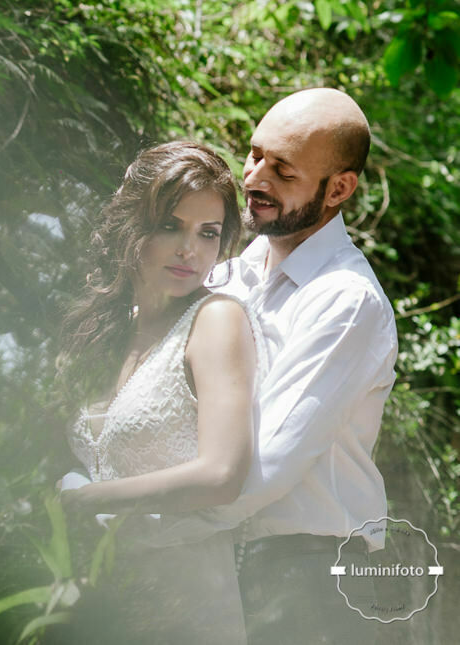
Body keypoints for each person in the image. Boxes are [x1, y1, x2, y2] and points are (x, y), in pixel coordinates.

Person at [137, 88, 398, 644]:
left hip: (313, 576)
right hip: (219, 566)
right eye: (254, 155)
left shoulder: (346, 300)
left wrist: (145, 529)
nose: (254, 179)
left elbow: (269, 463)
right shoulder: (229, 276)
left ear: (340, 189)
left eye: (283, 170)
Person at [56, 141, 266, 644]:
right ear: (134, 224)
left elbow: (221, 475)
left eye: (208, 233)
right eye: (171, 225)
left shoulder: (217, 319)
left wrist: (89, 501)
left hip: (184, 605)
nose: (189, 249)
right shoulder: (108, 332)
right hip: (100, 600)